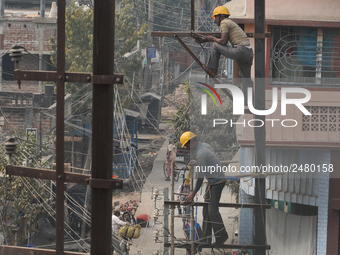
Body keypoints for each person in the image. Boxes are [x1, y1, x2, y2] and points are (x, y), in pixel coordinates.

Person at [195, 6, 253, 104]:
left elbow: (223, 41)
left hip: (240, 51)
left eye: (215, 18)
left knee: (215, 45)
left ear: (221, 16)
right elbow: (221, 37)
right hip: (248, 52)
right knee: (247, 79)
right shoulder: (231, 23)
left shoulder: (224, 22)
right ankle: (248, 102)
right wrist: (204, 40)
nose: (215, 20)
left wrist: (212, 39)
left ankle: (212, 70)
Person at [181, 131, 228, 245]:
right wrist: (198, 163)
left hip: (217, 182)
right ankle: (206, 239)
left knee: (212, 211)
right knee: (206, 209)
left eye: (186, 145)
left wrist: (193, 193)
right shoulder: (204, 146)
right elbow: (208, 161)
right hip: (213, 182)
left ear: (191, 142)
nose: (187, 148)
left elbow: (201, 177)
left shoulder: (201, 153)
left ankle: (222, 236)